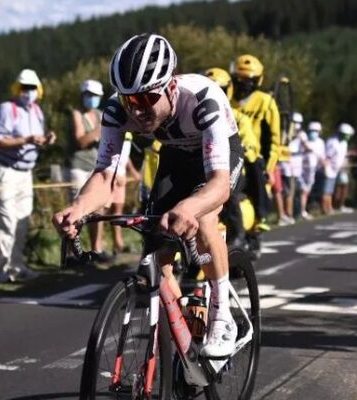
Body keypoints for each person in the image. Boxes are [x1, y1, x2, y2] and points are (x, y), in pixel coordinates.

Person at [53, 34, 244, 357]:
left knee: (204, 218)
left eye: (146, 99)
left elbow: (219, 184)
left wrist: (189, 207)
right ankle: (183, 327)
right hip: (174, 155)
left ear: (170, 87)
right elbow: (104, 176)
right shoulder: (117, 109)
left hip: (217, 160)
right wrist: (78, 208)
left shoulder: (201, 99)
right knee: (155, 256)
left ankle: (222, 314)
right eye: (130, 100)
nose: (138, 110)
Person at [0, 68, 56, 283]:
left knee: (22, 221)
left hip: (26, 173)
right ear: (17, 89)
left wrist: (46, 139)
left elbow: (35, 139)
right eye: (24, 88)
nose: (28, 92)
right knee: (5, 221)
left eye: (32, 88)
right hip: (5, 170)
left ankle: (16, 266)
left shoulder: (37, 111)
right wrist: (26, 140)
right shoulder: (7, 109)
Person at [204, 67, 258, 249]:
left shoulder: (239, 118)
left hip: (231, 166)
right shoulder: (196, 115)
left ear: (229, 90)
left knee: (226, 191)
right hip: (204, 167)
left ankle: (238, 236)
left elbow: (250, 145)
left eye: (220, 89)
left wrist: (245, 149)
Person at [230, 54, 281, 232]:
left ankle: (261, 214)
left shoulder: (265, 102)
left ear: (257, 80)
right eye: (239, 78)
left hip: (252, 155)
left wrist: (269, 167)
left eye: (248, 79)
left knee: (257, 176)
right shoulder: (227, 100)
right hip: (227, 151)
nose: (243, 83)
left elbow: (274, 140)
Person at [68, 79, 112, 263]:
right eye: (89, 95)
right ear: (82, 96)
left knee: (98, 210)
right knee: (77, 211)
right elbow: (81, 141)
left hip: (96, 168)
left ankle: (96, 249)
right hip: (78, 167)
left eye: (95, 96)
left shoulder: (99, 114)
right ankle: (72, 252)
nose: (92, 99)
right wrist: (99, 131)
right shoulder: (76, 114)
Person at [292, 121, 325, 220]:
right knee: (302, 191)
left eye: (315, 131)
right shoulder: (303, 140)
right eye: (311, 130)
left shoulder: (320, 143)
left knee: (307, 192)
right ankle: (300, 211)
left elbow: (321, 156)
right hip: (301, 170)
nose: (313, 133)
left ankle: (302, 210)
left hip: (313, 170)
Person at [323, 123, 353, 214]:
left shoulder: (344, 143)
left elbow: (341, 155)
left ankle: (330, 207)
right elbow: (327, 157)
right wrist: (326, 169)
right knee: (327, 190)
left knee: (331, 190)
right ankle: (326, 208)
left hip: (337, 169)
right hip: (329, 169)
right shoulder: (332, 142)